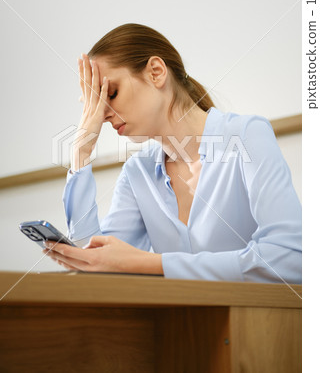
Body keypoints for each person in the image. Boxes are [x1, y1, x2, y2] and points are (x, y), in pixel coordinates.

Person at [43, 23, 302, 283]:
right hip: (175, 323)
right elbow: (98, 267)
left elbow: (290, 258)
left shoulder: (246, 135)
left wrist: (152, 263)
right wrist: (81, 151)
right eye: (95, 103)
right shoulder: (137, 172)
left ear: (156, 72)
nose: (103, 113)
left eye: (111, 93)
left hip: (254, 322)